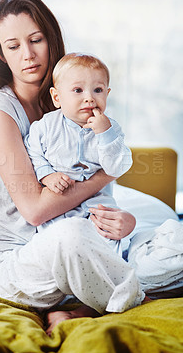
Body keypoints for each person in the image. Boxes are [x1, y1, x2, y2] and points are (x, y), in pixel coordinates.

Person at [0, 0, 148, 335]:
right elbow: (34, 210)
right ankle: (131, 298)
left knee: (159, 239)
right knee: (72, 235)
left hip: (56, 247)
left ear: (51, 40)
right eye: (14, 46)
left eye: (36, 40)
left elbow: (92, 190)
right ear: (0, 54)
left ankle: (75, 309)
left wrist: (121, 219)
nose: (29, 55)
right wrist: (105, 175)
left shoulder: (60, 108)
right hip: (10, 264)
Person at [25, 52, 132, 255]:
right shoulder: (46, 127)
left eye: (98, 90)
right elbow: (32, 152)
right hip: (58, 208)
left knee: (107, 246)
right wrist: (47, 174)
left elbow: (117, 167)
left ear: (107, 94)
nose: (89, 98)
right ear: (57, 97)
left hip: (97, 208)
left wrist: (105, 134)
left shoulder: (112, 130)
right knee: (54, 246)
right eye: (78, 90)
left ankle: (109, 272)